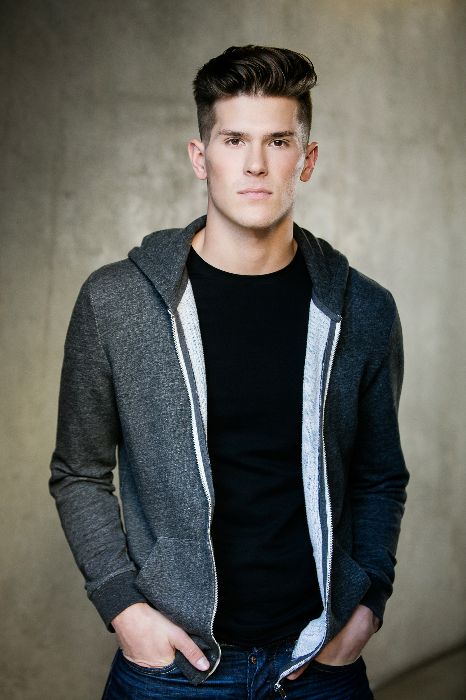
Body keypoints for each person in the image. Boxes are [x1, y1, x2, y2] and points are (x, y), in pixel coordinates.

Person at [49, 45, 409, 699]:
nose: (255, 164)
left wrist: (366, 607)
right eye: (234, 139)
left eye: (278, 141)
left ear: (307, 159)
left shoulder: (364, 310)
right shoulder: (116, 302)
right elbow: (79, 471)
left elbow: (380, 474)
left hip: (317, 663)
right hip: (172, 670)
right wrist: (124, 608)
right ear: (200, 156)